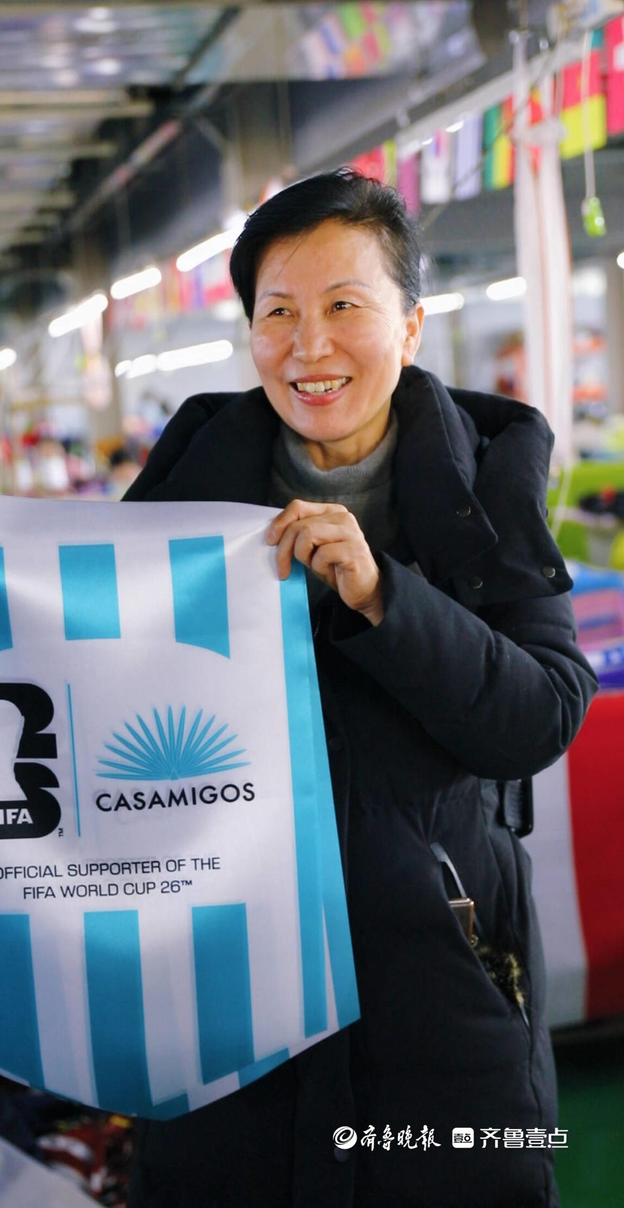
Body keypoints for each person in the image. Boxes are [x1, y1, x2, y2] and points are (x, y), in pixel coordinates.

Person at [124, 169, 597, 1208]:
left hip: (442, 979)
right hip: (224, 989)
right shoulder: (175, 499)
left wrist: (386, 596)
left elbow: (539, 715)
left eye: (345, 305)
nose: (310, 346)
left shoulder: (489, 484)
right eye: (278, 313)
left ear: (411, 324)